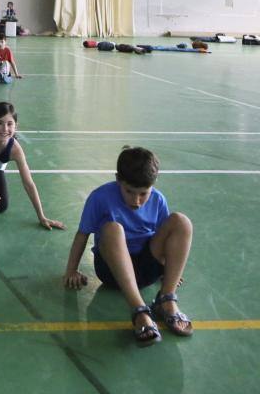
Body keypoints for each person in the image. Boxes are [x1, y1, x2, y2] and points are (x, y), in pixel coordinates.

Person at [63, 147, 194, 346]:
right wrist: (71, 270)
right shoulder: (99, 198)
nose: (136, 200)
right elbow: (82, 235)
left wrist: (168, 272)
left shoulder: (158, 199)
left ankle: (166, 300)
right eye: (129, 192)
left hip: (147, 268)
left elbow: (166, 238)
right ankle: (139, 310)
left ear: (153, 184)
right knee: (112, 229)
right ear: (118, 179)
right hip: (112, 271)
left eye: (143, 193)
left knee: (181, 222)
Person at [0, 102, 64, 231]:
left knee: (0, 207)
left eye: (10, 124)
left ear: (16, 126)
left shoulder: (15, 150)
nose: (5, 129)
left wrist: (41, 216)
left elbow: (29, 184)